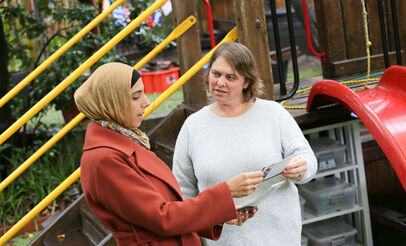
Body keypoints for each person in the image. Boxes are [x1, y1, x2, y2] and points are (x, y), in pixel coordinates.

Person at [74, 62, 264, 246]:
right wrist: (226, 192)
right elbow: (162, 218)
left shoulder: (126, 142)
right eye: (136, 96)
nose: (146, 102)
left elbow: (162, 212)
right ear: (111, 102)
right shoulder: (106, 159)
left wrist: (217, 214)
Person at [172, 42, 318, 246]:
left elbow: (307, 159)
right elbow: (182, 190)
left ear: (247, 82)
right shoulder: (193, 126)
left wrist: (301, 168)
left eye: (230, 77)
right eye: (216, 74)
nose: (220, 82)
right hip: (222, 241)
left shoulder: (273, 114)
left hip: (279, 237)